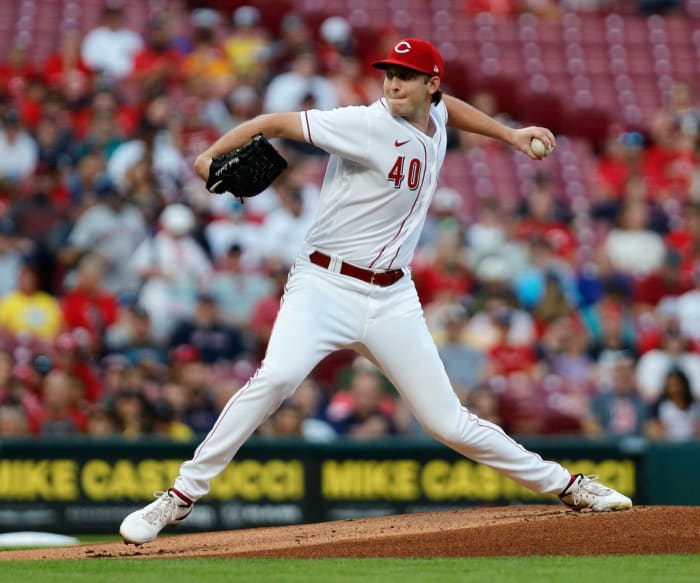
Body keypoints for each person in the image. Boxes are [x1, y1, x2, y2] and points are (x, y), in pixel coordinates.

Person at [120, 38, 631, 545]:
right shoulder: (364, 123)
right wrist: (208, 156)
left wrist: (509, 135)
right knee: (275, 378)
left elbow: (448, 110)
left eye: (405, 75)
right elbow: (273, 123)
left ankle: (569, 485)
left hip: (391, 297)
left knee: (448, 423)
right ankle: (180, 496)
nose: (392, 82)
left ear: (430, 83)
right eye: (389, 73)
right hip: (323, 283)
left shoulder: (434, 114)